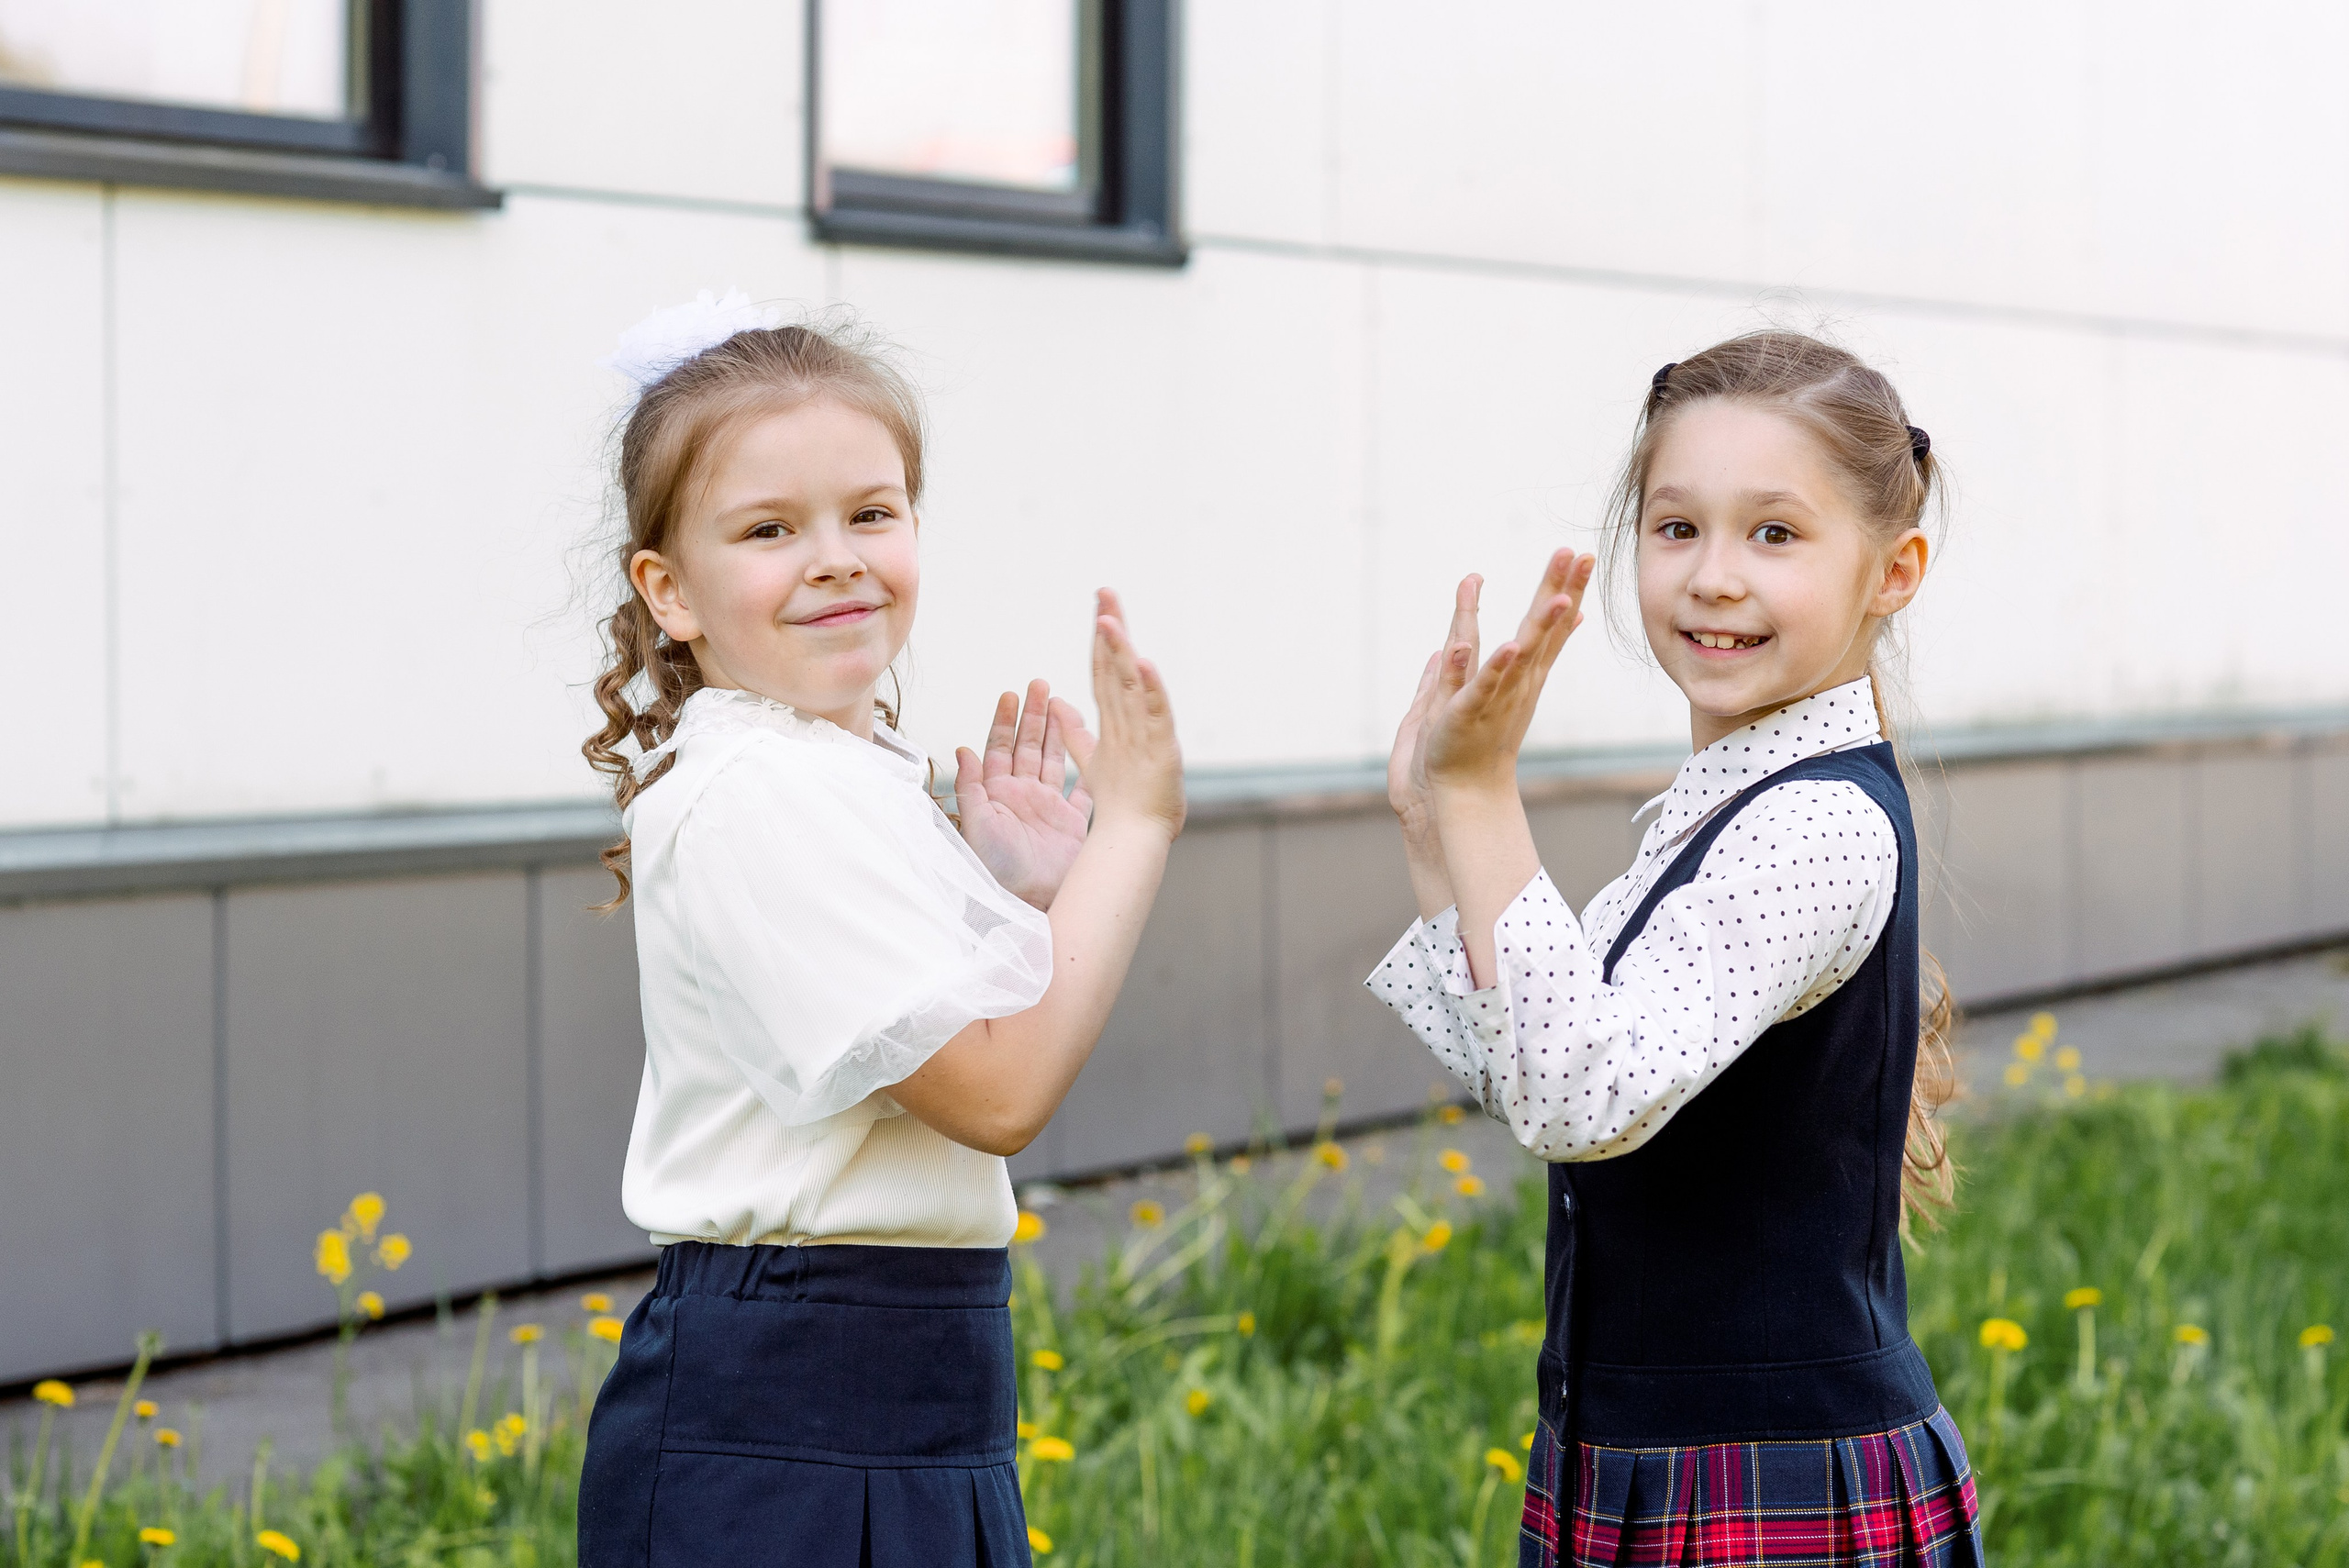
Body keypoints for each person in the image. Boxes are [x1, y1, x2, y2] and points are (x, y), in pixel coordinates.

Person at [573, 295, 1185, 1568]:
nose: (838, 554)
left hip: (901, 1403)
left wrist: (1021, 898)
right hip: (790, 1424)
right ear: (669, 590)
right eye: (769, 529)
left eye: (871, 510)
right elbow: (999, 1093)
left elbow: (923, 1068)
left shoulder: (849, 779)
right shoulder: (759, 793)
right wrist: (1139, 825)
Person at [1371, 331, 1982, 1567]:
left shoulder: (1814, 821)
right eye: (1675, 527)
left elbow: (1577, 1096)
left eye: (1774, 534)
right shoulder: (1725, 802)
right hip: (1656, 1459)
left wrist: (1490, 795)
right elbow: (1525, 1069)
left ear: (1893, 569)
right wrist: (1436, 830)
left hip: (1767, 1476)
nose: (1712, 577)